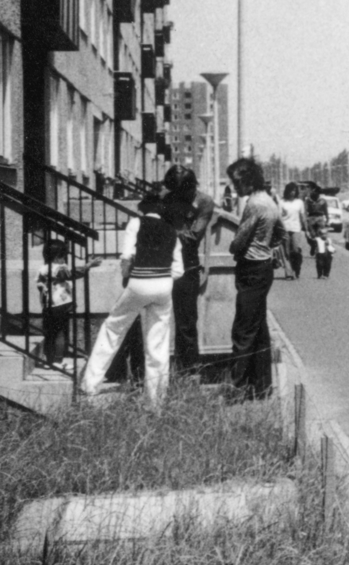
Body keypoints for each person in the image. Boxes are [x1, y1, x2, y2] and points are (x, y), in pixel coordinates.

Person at [79, 193, 183, 406]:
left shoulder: (136, 223)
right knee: (158, 342)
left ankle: (90, 385)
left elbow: (126, 257)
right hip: (164, 286)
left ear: (143, 208)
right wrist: (161, 274)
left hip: (139, 283)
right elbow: (179, 270)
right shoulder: (172, 230)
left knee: (113, 329)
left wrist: (130, 276)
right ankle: (156, 400)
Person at [228, 156, 284, 399]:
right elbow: (281, 231)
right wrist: (267, 246)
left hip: (250, 268)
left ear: (249, 180)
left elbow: (240, 238)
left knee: (243, 330)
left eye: (238, 182)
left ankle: (236, 387)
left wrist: (235, 247)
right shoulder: (269, 201)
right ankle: (262, 386)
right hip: (263, 267)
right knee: (258, 329)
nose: (235, 187)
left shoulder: (254, 204)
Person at [161, 164, 215, 375]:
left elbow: (193, 237)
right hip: (164, 265)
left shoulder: (203, 201)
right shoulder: (167, 198)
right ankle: (167, 369)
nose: (176, 195)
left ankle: (190, 370)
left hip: (187, 267)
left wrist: (168, 231)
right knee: (161, 320)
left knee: (186, 323)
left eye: (180, 192)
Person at [36, 241, 99, 365]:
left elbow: (39, 283)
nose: (65, 259)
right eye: (63, 256)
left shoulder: (43, 268)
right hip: (61, 304)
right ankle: (58, 361)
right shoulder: (60, 268)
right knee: (60, 332)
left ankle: (48, 360)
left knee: (50, 333)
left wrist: (43, 287)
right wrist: (88, 265)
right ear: (56, 257)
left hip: (48, 305)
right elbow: (73, 274)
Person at [304, 183, 335, 279]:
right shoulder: (308, 200)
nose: (315, 194)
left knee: (321, 235)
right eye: (314, 192)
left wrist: (328, 220)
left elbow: (326, 211)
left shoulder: (322, 201)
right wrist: (305, 220)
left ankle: (318, 249)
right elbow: (305, 211)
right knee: (311, 236)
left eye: (317, 192)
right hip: (311, 218)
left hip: (320, 218)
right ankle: (313, 246)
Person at [279, 182, 306, 279]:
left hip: (296, 229)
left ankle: (296, 269)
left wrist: (306, 229)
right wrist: (280, 229)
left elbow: (302, 216)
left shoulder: (299, 202)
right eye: (291, 190)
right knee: (286, 252)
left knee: (296, 250)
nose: (292, 193)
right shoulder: (282, 202)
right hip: (285, 228)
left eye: (294, 191)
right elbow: (279, 216)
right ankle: (289, 273)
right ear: (287, 191)